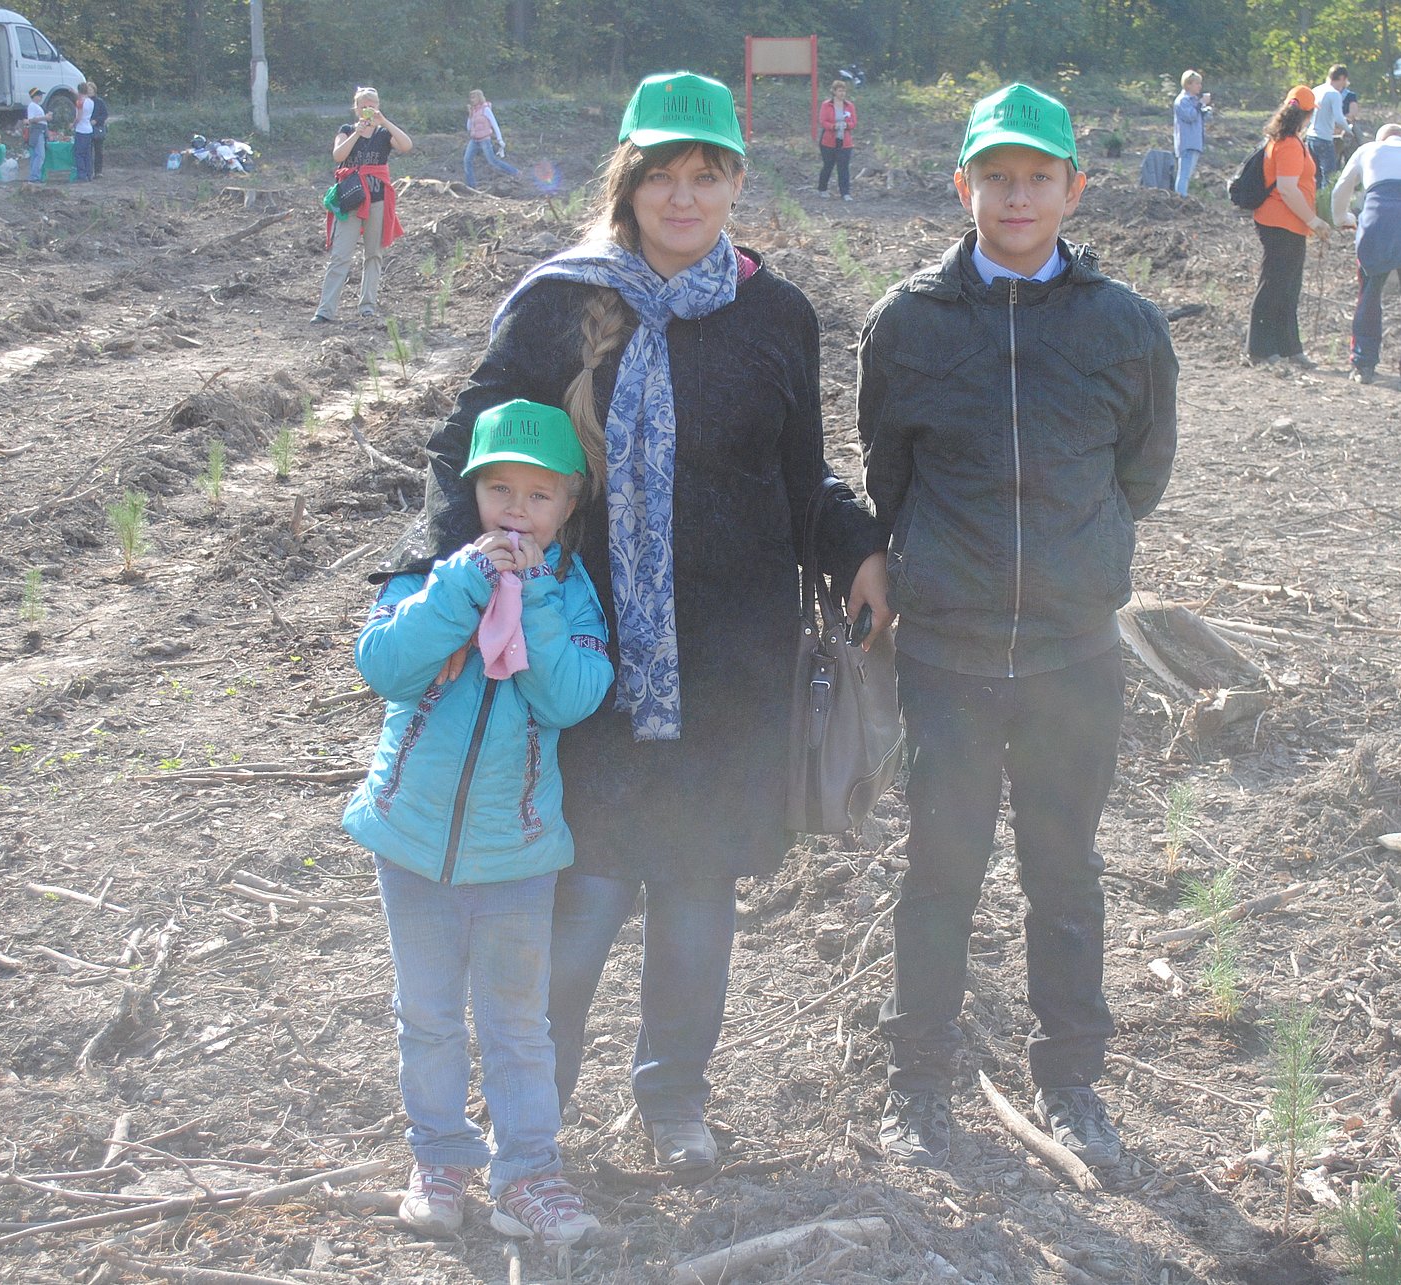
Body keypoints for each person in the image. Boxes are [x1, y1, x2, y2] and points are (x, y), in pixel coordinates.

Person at [375, 70, 886, 1182]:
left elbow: (800, 475)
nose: (684, 197)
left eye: (708, 174)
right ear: (628, 181)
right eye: (662, 175)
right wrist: (424, 578)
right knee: (583, 896)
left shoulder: (775, 314)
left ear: (737, 182)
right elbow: (467, 447)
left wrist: (856, 547)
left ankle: (673, 1099)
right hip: (586, 657)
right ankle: (535, 1114)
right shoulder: (561, 305)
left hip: (731, 662)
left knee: (699, 895)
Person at [857, 82, 1178, 1171]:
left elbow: (1142, 475)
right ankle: (918, 1082)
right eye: (997, 177)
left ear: (1074, 188)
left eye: (1040, 176)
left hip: (1071, 655)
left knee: (1064, 870)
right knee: (939, 870)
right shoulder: (908, 323)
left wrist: (1074, 564)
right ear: (964, 186)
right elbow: (889, 476)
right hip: (946, 655)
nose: (1018, 196)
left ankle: (1072, 1081)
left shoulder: (1125, 325)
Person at [344, 398, 611, 1246]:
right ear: (472, 492)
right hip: (411, 840)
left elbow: (572, 697)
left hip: (515, 852)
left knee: (517, 1024)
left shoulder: (571, 594)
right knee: (426, 1014)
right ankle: (440, 1158)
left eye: (539, 495)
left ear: (569, 502)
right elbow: (384, 664)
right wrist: (462, 586)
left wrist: (533, 602)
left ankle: (527, 1173)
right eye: (500, 490)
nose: (517, 512)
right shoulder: (431, 571)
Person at [1332, 123, 1401, 392]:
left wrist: (1342, 218)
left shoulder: (1367, 150)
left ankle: (1363, 365)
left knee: (1368, 296)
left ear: (1381, 140)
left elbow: (1341, 189)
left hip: (1376, 227)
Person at [1249, 85, 1334, 369]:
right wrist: (1313, 220)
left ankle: (1290, 349)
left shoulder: (1288, 141)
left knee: (1288, 288)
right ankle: (1259, 350)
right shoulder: (1288, 145)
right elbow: (1287, 188)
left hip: (1290, 224)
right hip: (1280, 223)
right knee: (1274, 286)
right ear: (1307, 115)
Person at [314, 86, 413, 323]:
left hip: (377, 201)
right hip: (350, 201)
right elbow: (338, 156)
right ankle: (325, 310)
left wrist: (384, 121)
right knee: (340, 255)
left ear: (378, 106)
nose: (368, 109)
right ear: (356, 108)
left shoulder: (383, 134)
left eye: (372, 105)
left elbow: (406, 145)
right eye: (363, 106)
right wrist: (357, 133)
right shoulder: (346, 130)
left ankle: (368, 306)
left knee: (373, 255)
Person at [1303, 64, 1350, 187]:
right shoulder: (1334, 94)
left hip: (1310, 137)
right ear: (1342, 78)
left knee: (1314, 176)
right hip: (1324, 138)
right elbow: (1339, 118)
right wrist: (1348, 130)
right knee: (1329, 177)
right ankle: (1327, 199)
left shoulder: (1316, 90)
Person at [464, 90, 520, 191]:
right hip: (474, 140)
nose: (472, 100)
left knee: (492, 161)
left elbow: (494, 124)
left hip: (485, 139)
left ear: (479, 98)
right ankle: (471, 186)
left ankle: (515, 172)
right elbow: (468, 128)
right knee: (467, 160)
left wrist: (500, 139)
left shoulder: (486, 109)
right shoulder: (473, 111)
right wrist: (470, 115)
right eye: (471, 98)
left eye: (474, 98)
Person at [1172, 69, 1212, 197]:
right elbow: (1190, 116)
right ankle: (1180, 199)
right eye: (1197, 83)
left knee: (1187, 175)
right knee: (1184, 174)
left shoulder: (1193, 101)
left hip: (1194, 143)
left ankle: (1182, 197)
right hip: (1187, 143)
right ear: (1188, 84)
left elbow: (1200, 116)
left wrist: (1205, 109)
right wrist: (1201, 103)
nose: (1200, 86)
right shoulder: (1182, 101)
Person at [818, 79, 858, 200]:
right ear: (834, 92)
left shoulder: (849, 106)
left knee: (843, 167)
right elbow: (823, 121)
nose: (842, 93)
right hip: (828, 141)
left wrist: (847, 125)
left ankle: (845, 193)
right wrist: (833, 126)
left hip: (845, 141)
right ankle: (822, 188)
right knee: (828, 165)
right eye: (840, 91)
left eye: (844, 91)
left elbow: (854, 122)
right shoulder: (826, 105)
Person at [23, 88, 49, 183]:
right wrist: (45, 117)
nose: (41, 97)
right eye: (39, 95)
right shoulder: (32, 106)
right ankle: (34, 176)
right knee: (40, 154)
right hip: (37, 130)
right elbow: (31, 120)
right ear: (35, 96)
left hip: (40, 130)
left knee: (36, 155)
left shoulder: (36, 106)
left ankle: (35, 175)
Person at [71, 82, 95, 182]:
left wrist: (73, 125)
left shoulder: (79, 102)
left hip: (81, 130)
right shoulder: (91, 102)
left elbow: (79, 117)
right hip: (89, 129)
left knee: (79, 154)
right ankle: (89, 174)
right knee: (87, 153)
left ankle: (82, 175)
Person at [88, 83, 109, 177]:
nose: (89, 91)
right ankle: (89, 171)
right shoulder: (84, 102)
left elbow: (105, 114)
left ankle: (98, 171)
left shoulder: (99, 102)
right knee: (88, 151)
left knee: (99, 151)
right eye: (87, 89)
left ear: (94, 90)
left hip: (97, 128)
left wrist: (96, 120)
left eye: (90, 89)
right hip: (87, 129)